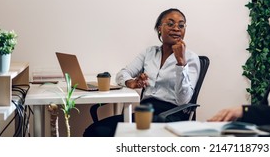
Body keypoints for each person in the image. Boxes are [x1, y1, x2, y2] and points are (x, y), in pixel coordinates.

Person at [83, 8, 200, 136]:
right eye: (171, 24)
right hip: (145, 113)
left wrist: (181, 63)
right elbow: (123, 73)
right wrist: (130, 82)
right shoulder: (149, 53)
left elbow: (184, 100)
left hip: (170, 116)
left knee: (100, 133)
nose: (176, 28)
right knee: (94, 131)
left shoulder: (190, 58)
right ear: (159, 28)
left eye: (181, 25)